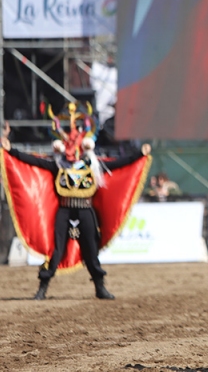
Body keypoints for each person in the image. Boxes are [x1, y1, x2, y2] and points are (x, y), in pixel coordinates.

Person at [1, 103, 151, 300]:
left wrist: (139, 155)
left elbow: (117, 165)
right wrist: (11, 151)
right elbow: (33, 161)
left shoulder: (92, 165)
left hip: (86, 210)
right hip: (64, 211)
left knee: (90, 247)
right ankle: (42, 288)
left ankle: (100, 287)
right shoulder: (58, 165)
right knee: (57, 249)